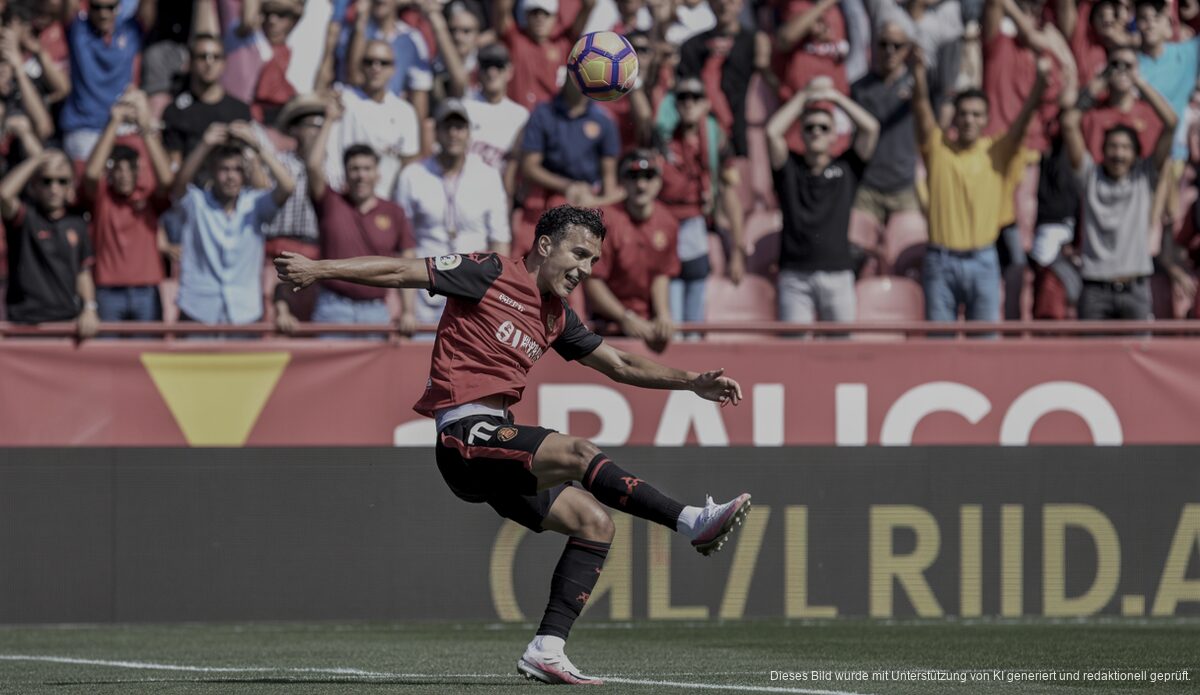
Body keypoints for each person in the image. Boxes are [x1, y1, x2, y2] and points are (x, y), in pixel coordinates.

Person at [274, 204, 751, 685]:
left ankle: (547, 649)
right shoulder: (488, 272)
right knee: (578, 453)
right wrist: (318, 269)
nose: (586, 269)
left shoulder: (555, 315)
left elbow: (621, 365)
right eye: (579, 254)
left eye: (593, 261)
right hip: (463, 435)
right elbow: (402, 271)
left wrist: (691, 381)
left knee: (594, 523)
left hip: (493, 444)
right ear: (545, 245)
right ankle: (692, 521)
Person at [911, 45, 1048, 322]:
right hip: (940, 260)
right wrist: (918, 75)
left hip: (983, 260)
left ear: (986, 119)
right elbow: (922, 111)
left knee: (985, 342)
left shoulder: (996, 151)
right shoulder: (938, 149)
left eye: (976, 114)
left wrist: (1039, 86)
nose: (969, 120)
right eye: (963, 113)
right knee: (939, 343)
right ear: (954, 118)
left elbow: (1023, 121)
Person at [1061, 56, 1186, 319]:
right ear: (1102, 151)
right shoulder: (1089, 176)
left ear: (1136, 153)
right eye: (1113, 147)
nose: (1118, 154)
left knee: (1140, 346)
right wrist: (1102, 81)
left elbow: (1171, 123)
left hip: (1136, 287)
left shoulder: (1143, 176)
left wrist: (1137, 82)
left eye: (1125, 148)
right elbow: (1070, 122)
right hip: (1094, 289)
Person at [768, 77, 879, 324]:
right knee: (794, 348)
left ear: (834, 135)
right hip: (795, 277)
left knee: (842, 347)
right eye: (809, 127)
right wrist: (804, 96)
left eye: (824, 127)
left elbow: (871, 128)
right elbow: (772, 132)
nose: (816, 132)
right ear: (801, 134)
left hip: (838, 275)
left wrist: (835, 97)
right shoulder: (789, 168)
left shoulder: (847, 168)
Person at [396, 99, 511, 328]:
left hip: (473, 292)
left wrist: (496, 298)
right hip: (425, 293)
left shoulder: (487, 176)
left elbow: (500, 243)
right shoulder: (412, 175)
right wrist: (407, 308)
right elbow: (405, 243)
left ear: (469, 133)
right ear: (436, 132)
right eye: (447, 127)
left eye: (459, 127)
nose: (453, 134)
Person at [307, 97, 416, 333]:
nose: (361, 175)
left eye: (367, 169)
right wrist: (329, 121)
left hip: (375, 309)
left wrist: (408, 310)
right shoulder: (331, 201)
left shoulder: (394, 212)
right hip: (332, 307)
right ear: (345, 174)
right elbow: (314, 166)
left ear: (378, 173)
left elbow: (407, 264)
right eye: (354, 169)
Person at [169, 121, 295, 325]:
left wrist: (257, 147)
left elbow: (287, 187)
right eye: (224, 169)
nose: (231, 177)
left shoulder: (254, 204)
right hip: (198, 309)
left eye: (237, 169)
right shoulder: (196, 203)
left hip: (245, 312)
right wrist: (204, 145)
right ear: (212, 171)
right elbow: (179, 185)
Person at [656, 77, 746, 328]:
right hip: (666, 228)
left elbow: (730, 195)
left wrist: (737, 251)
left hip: (696, 226)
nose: (689, 103)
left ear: (706, 103)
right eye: (682, 98)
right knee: (670, 320)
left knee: (695, 316)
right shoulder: (662, 139)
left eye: (695, 97)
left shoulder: (716, 139)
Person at [83, 89, 173, 323]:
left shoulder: (149, 199)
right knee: (108, 349)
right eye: (118, 169)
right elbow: (91, 173)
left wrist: (145, 126)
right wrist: (114, 121)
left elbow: (166, 179)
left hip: (147, 289)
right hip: (108, 290)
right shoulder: (103, 198)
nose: (124, 175)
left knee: (148, 347)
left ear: (139, 171)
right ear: (110, 173)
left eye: (130, 168)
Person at [518, 77, 622, 257]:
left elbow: (609, 180)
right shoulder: (543, 113)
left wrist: (593, 201)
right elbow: (529, 167)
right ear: (568, 74)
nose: (582, 80)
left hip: (587, 202)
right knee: (531, 256)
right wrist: (567, 186)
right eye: (578, 73)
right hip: (545, 200)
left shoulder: (604, 119)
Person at [1, 146, 98, 338]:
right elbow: (4, 195)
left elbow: (83, 271)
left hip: (65, 323)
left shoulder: (77, 223)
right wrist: (37, 160)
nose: (54, 188)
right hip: (24, 323)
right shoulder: (25, 217)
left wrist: (89, 307)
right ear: (34, 185)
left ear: (70, 185)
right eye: (47, 181)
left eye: (62, 181)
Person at [586, 149, 678, 352]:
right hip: (604, 322)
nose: (641, 184)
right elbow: (592, 280)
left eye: (648, 176)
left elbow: (661, 274)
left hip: (645, 322)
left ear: (659, 182)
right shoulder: (606, 221)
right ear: (623, 182)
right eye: (633, 176)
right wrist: (624, 316)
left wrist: (663, 314)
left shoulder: (668, 222)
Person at [58, 0, 156, 161]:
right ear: (88, 7)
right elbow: (68, 6)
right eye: (97, 7)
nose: (103, 14)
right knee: (89, 176)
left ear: (119, 7)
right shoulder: (77, 30)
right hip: (84, 129)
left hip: (123, 127)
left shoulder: (129, 30)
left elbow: (147, 10)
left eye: (110, 8)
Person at [326, 39, 422, 199]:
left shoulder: (405, 112)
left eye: (383, 63)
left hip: (385, 201)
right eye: (369, 62)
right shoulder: (343, 99)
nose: (376, 68)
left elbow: (409, 162)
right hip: (344, 198)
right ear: (361, 66)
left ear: (393, 69)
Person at [161, 33, 253, 172]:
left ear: (224, 63)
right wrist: (204, 146)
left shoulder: (240, 110)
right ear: (190, 62)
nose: (209, 63)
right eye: (203, 57)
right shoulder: (175, 112)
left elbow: (251, 168)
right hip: (192, 184)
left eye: (216, 57)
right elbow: (173, 174)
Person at [342, 0, 433, 138]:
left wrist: (419, 141)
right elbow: (355, 77)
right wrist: (361, 23)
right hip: (357, 116)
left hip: (392, 122)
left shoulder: (413, 38)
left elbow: (420, 95)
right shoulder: (353, 32)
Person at [494, 0, 596, 112]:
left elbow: (588, 6)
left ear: (555, 17)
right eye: (534, 13)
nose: (540, 18)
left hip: (551, 118)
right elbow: (502, 9)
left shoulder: (564, 43)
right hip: (518, 116)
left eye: (546, 14)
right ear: (525, 15)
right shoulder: (514, 39)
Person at [462, 43, 530, 197]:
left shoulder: (521, 116)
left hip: (498, 196)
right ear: (478, 71)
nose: (492, 72)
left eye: (498, 66)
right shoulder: (464, 107)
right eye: (486, 66)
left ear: (509, 71)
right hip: (464, 192)